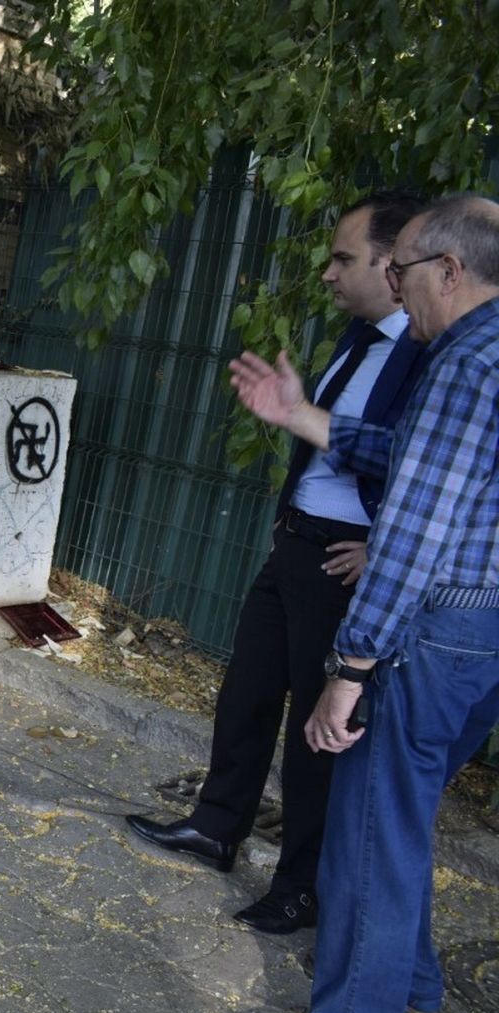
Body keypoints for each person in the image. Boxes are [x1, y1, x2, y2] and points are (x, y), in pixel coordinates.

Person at [228, 195, 499, 1013]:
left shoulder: (466, 362)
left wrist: (351, 661)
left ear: (450, 272)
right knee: (404, 812)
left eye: (404, 270)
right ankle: (411, 978)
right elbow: (419, 463)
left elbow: (416, 523)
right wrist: (303, 417)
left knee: (371, 825)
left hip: (443, 629)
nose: (395, 284)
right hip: (487, 634)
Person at [125, 193, 429, 934]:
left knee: (316, 731)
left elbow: (427, 471)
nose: (329, 273)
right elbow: (326, 444)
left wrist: (384, 546)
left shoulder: (428, 353)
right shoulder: (356, 342)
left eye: (344, 258)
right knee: (247, 690)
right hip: (298, 537)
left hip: (343, 560)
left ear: (394, 268)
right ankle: (216, 824)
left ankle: (300, 886)